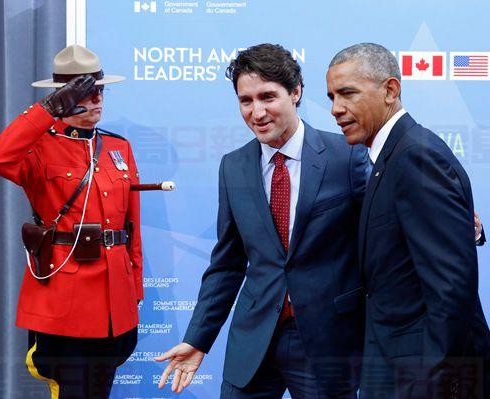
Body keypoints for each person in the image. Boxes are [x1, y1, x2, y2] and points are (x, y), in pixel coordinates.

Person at [156, 43, 368, 398]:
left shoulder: (346, 156)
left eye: (268, 97)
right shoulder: (234, 166)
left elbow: (379, 239)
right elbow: (226, 265)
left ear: (296, 93)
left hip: (327, 340)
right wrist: (197, 339)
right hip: (254, 338)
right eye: (246, 101)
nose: (257, 112)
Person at [326, 43, 490, 398]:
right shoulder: (391, 157)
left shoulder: (415, 157)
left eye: (347, 94)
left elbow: (451, 290)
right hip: (395, 366)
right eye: (331, 97)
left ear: (390, 90)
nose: (336, 109)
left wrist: (426, 381)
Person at [0, 44, 143, 399]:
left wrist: (134, 292)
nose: (98, 99)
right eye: (86, 92)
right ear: (64, 97)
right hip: (65, 298)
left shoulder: (119, 148)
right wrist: (47, 111)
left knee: (100, 390)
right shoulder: (39, 148)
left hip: (115, 300)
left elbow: (131, 229)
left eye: (100, 90)